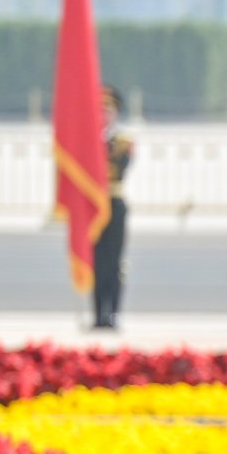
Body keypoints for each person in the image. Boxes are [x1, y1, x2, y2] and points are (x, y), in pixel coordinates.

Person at [87, 89, 134, 332]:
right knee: (96, 260)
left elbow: (118, 169)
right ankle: (97, 314)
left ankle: (113, 313)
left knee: (115, 262)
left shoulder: (124, 141)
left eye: (108, 111)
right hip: (92, 206)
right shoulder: (87, 141)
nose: (104, 115)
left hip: (114, 203)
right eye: (100, 111)